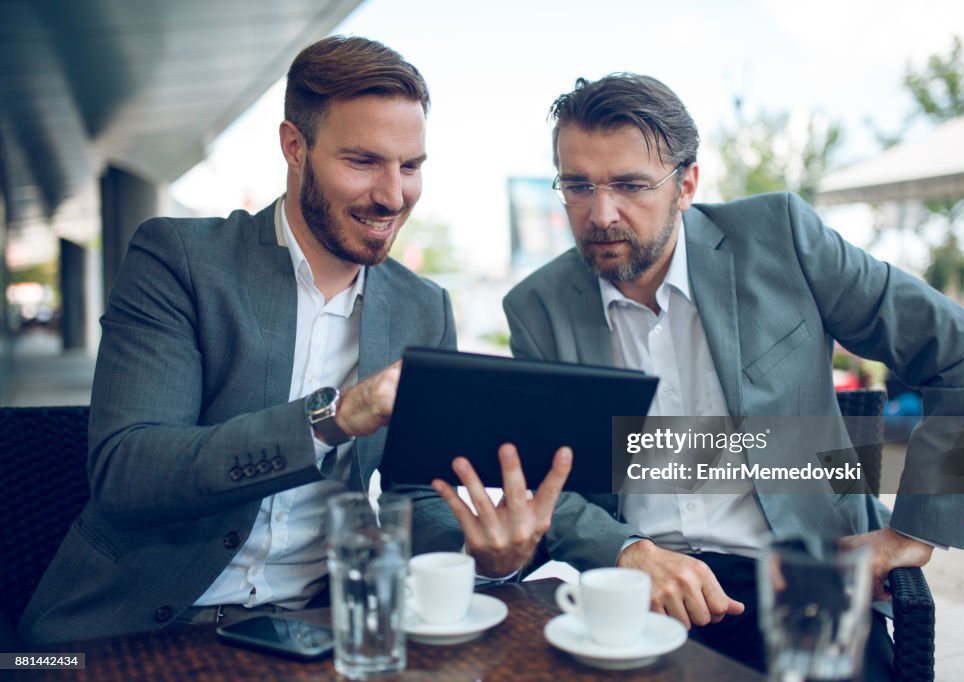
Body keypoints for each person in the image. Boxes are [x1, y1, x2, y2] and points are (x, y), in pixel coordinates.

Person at [20, 36, 569, 646]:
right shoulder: (178, 258)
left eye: (411, 166)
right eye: (363, 161)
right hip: (132, 630)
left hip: (319, 628)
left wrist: (484, 553)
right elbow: (128, 472)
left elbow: (416, 498)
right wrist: (331, 420)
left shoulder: (423, 306)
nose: (393, 195)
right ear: (294, 147)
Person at [503, 73, 964, 676]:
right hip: (639, 594)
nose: (600, 212)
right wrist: (624, 549)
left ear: (686, 184)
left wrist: (916, 529)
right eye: (578, 185)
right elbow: (544, 486)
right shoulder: (537, 306)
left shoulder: (781, 238)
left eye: (631, 185)